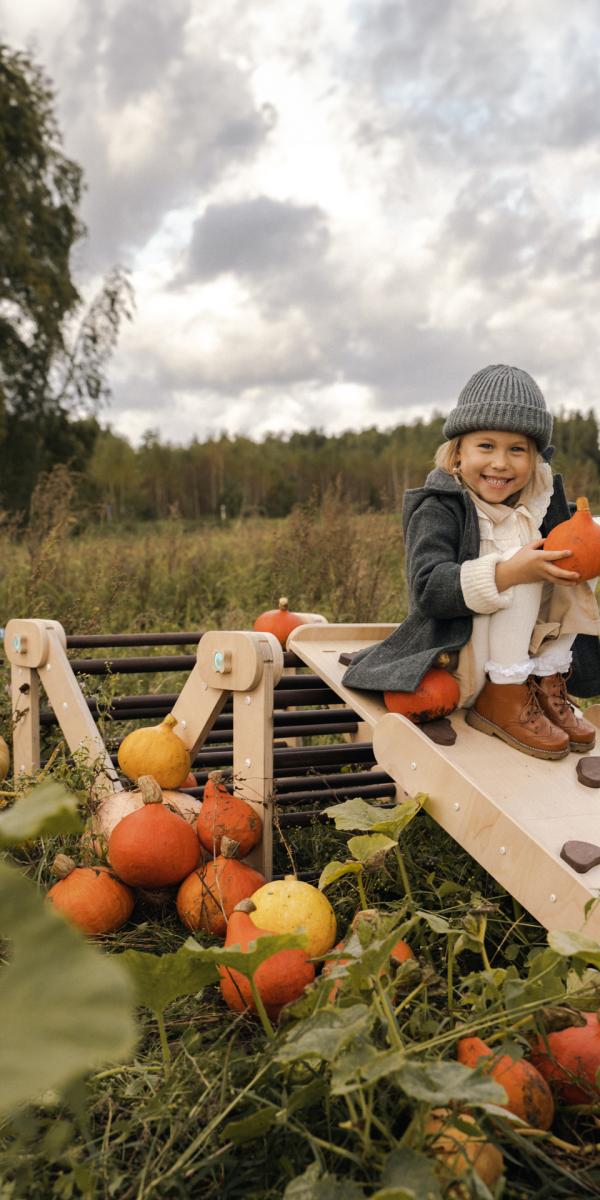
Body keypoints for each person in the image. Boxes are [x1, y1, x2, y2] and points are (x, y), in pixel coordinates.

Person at [342, 364, 600, 759]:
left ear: (534, 459)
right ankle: (503, 698)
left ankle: (549, 683)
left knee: (586, 541)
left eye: (517, 450)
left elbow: (579, 547)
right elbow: (429, 589)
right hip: (460, 657)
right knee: (520, 558)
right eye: (486, 446)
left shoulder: (537, 503)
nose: (500, 463)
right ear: (458, 452)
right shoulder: (439, 506)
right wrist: (508, 571)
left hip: (527, 661)